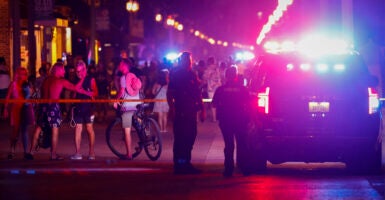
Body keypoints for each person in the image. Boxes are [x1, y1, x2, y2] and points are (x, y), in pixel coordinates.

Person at [26, 62, 92, 160]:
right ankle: (53, 154)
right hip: (53, 107)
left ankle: (31, 152)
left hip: (43, 106)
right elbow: (75, 88)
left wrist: (86, 92)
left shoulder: (46, 80)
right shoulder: (60, 81)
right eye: (63, 69)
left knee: (38, 128)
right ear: (58, 70)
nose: (64, 71)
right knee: (55, 130)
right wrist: (83, 78)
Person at [167, 51, 206, 174]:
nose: (190, 62)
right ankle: (180, 165)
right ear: (184, 61)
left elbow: (197, 94)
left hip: (190, 110)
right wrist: (172, 108)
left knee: (190, 136)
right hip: (181, 110)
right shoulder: (178, 75)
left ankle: (184, 163)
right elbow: (170, 93)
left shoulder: (191, 75)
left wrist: (202, 109)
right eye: (188, 60)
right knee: (181, 138)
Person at [212, 66, 251, 177]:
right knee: (242, 144)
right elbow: (248, 104)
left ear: (226, 76)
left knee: (229, 145)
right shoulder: (243, 89)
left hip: (226, 121)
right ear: (235, 75)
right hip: (240, 120)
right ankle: (244, 168)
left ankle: (228, 169)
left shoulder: (220, 89)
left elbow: (214, 104)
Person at [3, 67, 35, 160]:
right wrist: (5, 109)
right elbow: (8, 97)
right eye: (22, 73)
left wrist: (30, 89)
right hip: (16, 109)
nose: (24, 76)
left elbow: (31, 95)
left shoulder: (27, 84)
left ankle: (26, 152)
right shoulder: (13, 84)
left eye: (25, 74)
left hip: (25, 108)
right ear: (17, 74)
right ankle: (12, 150)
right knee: (15, 131)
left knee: (25, 130)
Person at [69, 60, 98, 160]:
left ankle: (92, 152)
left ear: (84, 70)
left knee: (90, 129)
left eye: (80, 71)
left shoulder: (91, 79)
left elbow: (95, 93)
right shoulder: (75, 79)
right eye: (77, 71)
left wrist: (85, 92)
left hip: (88, 107)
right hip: (78, 107)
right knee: (78, 129)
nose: (78, 73)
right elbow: (75, 91)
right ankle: (77, 152)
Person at [114, 59, 142, 160]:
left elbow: (121, 91)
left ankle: (129, 154)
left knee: (126, 130)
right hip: (137, 104)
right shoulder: (133, 76)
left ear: (125, 66)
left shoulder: (123, 77)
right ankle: (144, 138)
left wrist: (116, 100)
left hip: (128, 106)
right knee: (139, 124)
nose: (119, 66)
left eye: (121, 65)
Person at [203, 56, 221, 122]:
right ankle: (218, 117)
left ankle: (214, 118)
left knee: (213, 103)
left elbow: (205, 79)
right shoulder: (217, 69)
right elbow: (220, 78)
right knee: (218, 103)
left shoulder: (207, 70)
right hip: (218, 87)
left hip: (211, 88)